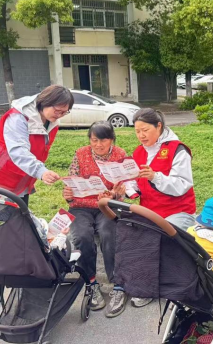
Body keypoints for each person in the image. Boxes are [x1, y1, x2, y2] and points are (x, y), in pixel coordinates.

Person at [0, 85, 74, 294]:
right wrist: (41, 171)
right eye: (57, 110)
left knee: (16, 223)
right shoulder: (18, 118)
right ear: (44, 102)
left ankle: (11, 264)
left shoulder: (51, 121)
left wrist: (36, 173)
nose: (59, 116)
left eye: (64, 112)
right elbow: (18, 151)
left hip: (20, 179)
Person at [125, 108, 196, 307]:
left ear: (159, 126)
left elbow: (182, 185)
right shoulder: (138, 152)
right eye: (137, 131)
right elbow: (136, 183)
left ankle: (177, 289)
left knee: (164, 238)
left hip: (178, 211)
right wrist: (128, 188)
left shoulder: (177, 149)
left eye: (145, 130)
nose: (141, 135)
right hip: (150, 211)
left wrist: (156, 177)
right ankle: (146, 286)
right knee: (132, 236)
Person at [63, 121, 131, 318]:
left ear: (112, 140)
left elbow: (125, 187)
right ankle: (91, 283)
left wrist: (116, 194)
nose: (98, 145)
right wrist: (68, 194)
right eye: (94, 140)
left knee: (109, 233)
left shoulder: (120, 155)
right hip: (81, 206)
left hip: (106, 205)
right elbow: (71, 183)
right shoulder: (80, 154)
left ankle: (118, 285)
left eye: (103, 140)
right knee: (81, 236)